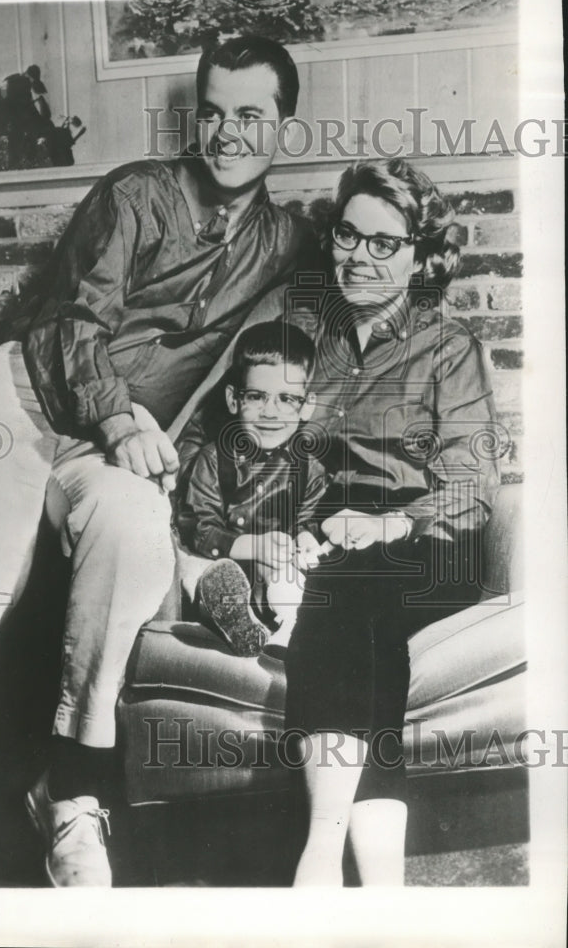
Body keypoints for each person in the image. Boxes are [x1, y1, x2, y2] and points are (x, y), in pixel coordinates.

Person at [0, 34, 324, 887]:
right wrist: (119, 414)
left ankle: (71, 792)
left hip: (110, 449)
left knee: (137, 527)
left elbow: (291, 357)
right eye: (212, 112)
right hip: (20, 406)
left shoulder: (285, 242)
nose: (227, 133)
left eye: (251, 115)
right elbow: (68, 322)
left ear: (285, 127)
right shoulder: (136, 192)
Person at [284, 159, 500, 886]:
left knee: (351, 585)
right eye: (348, 235)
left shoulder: (448, 349)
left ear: (419, 254)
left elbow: (471, 484)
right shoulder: (299, 337)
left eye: (384, 243)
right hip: (330, 543)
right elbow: (235, 438)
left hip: (428, 546)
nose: (359, 256)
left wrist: (386, 526)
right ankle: (378, 880)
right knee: (353, 608)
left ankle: (317, 855)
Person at [176, 321, 329, 657]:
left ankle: (287, 627)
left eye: (287, 399)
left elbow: (307, 519)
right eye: (256, 396)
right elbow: (197, 526)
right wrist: (248, 545)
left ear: (307, 406)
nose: (270, 412)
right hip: (219, 560)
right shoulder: (214, 459)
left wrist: (305, 538)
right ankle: (232, 617)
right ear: (233, 399)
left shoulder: (310, 470)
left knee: (296, 579)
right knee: (195, 570)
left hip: (273, 574)